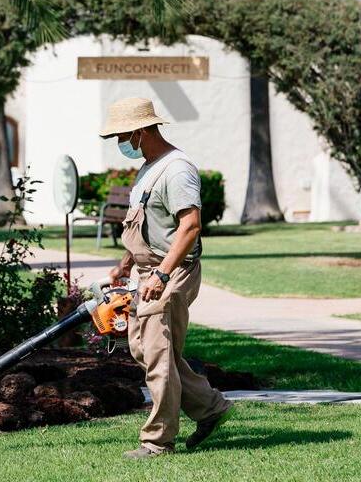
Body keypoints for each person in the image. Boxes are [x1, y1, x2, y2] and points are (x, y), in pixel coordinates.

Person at [99, 97, 233, 459]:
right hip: (148, 272)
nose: (120, 143)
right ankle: (211, 408)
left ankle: (157, 441)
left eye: (123, 136)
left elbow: (190, 226)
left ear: (142, 131)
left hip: (171, 272)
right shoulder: (149, 167)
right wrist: (126, 263)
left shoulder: (177, 170)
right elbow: (149, 224)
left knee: (158, 356)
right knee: (143, 348)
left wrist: (161, 273)